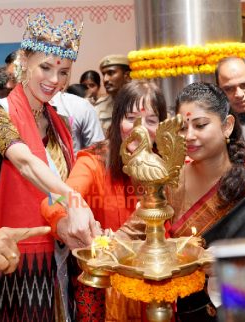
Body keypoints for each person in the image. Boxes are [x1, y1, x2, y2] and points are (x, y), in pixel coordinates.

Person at [0, 13, 97, 322]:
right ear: (24, 60)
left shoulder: (61, 125)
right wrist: (74, 201)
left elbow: (50, 189)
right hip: (2, 265)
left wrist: (67, 221)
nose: (54, 79)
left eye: (63, 71)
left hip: (53, 263)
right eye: (46, 67)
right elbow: (25, 163)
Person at [41, 79, 167, 321]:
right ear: (117, 120)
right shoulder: (94, 161)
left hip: (158, 288)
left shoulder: (170, 167)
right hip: (104, 290)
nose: (139, 129)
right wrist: (67, 220)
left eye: (151, 121)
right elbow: (52, 199)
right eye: (131, 118)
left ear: (162, 126)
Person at [168, 82, 245, 322]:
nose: (189, 136)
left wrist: (230, 267)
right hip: (190, 312)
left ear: (227, 126)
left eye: (200, 125)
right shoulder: (170, 182)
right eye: (182, 127)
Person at [94, 54, 131, 135]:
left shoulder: (142, 103)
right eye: (103, 74)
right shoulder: (99, 107)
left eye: (111, 73)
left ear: (127, 76)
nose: (105, 79)